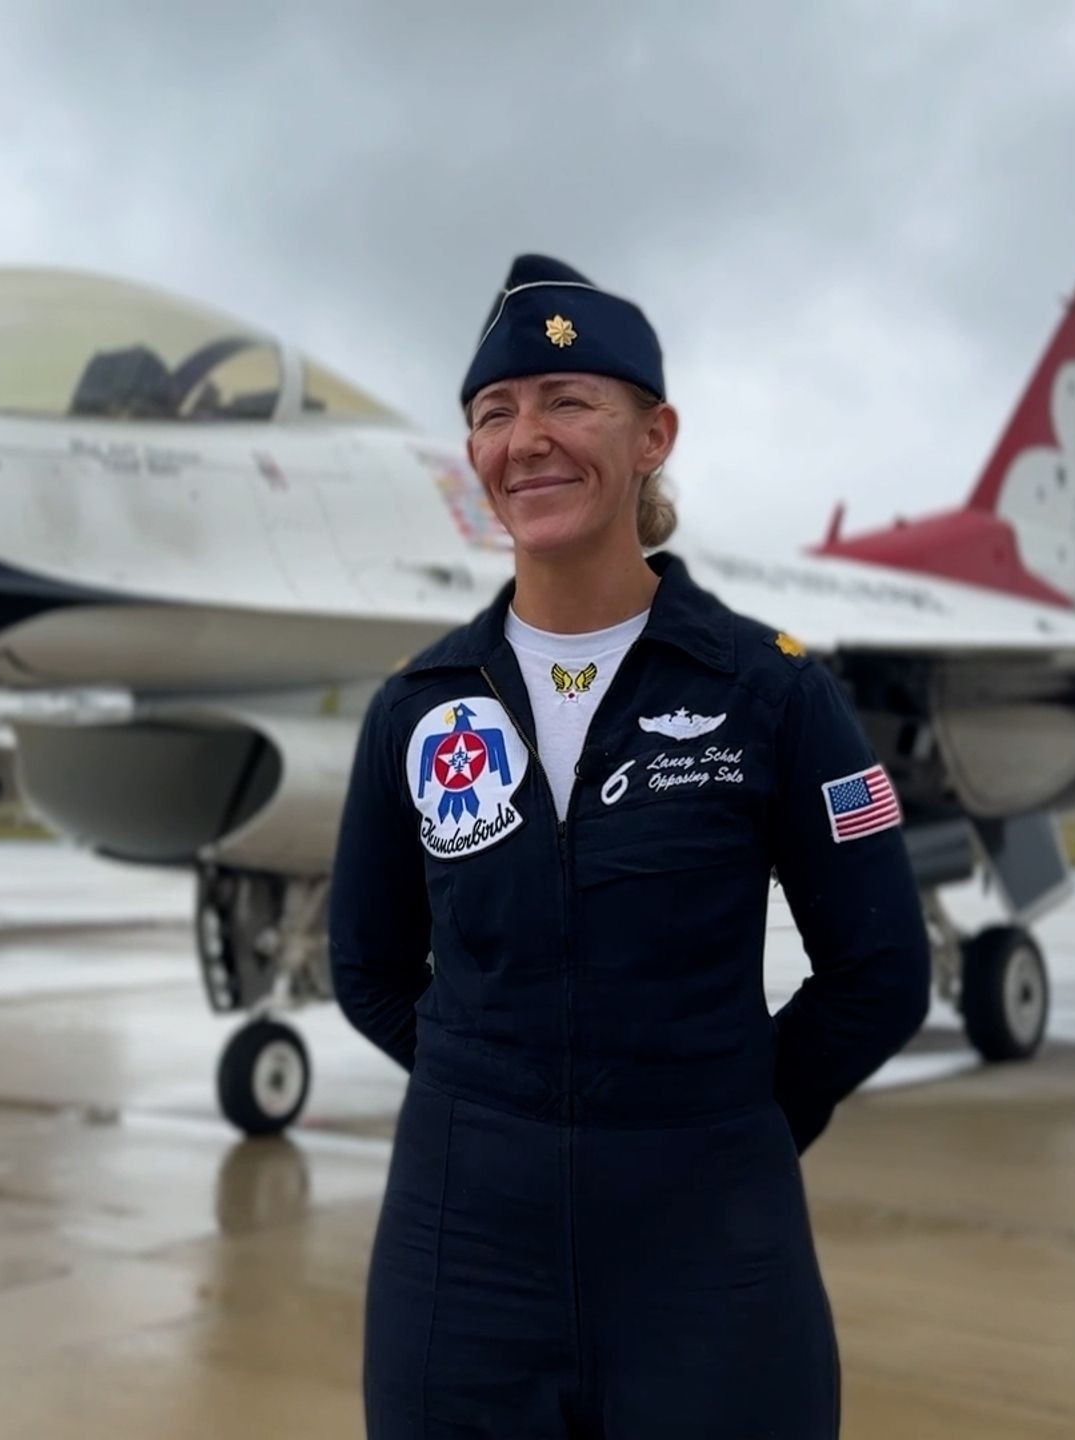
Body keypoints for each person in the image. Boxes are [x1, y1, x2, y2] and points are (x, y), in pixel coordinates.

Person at [329, 254, 930, 1439]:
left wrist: (726, 1115)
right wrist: (497, 1101)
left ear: (654, 435)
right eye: (495, 413)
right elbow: (367, 966)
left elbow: (882, 972)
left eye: (569, 401)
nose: (527, 440)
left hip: (709, 1252)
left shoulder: (770, 690)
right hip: (463, 1259)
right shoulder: (419, 706)